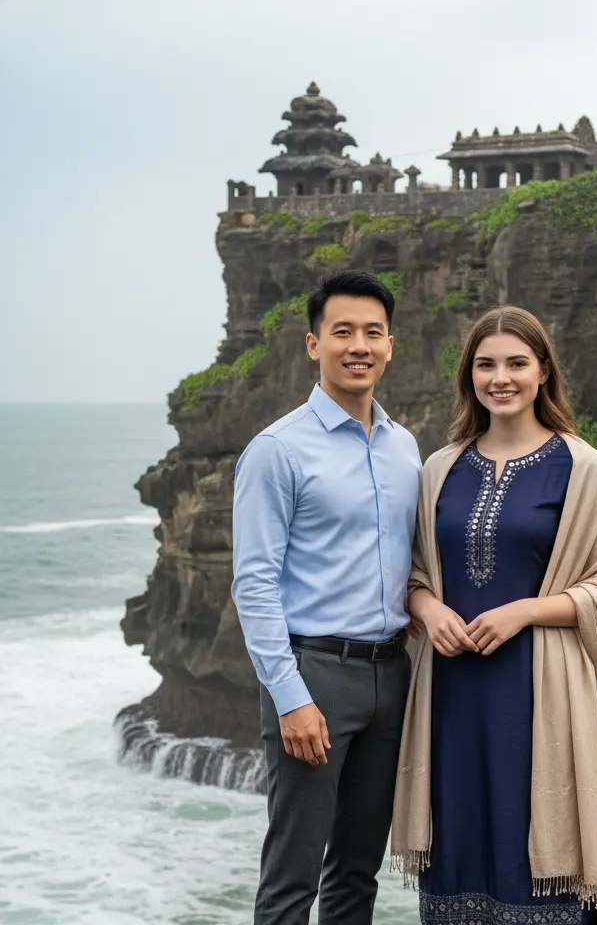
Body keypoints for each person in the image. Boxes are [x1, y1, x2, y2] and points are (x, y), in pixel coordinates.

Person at [391, 306, 597, 924]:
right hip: (451, 696)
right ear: (468, 376)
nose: (500, 377)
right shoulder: (439, 469)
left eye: (516, 363)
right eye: (486, 364)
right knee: (459, 845)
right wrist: (429, 608)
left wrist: (524, 611)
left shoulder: (582, 467)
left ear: (543, 371)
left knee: (536, 856)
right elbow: (412, 574)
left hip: (539, 693)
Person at [231, 269, 422, 925]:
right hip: (314, 677)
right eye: (342, 331)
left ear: (391, 345)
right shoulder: (277, 450)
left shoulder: (406, 448)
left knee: (356, 872)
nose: (358, 345)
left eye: (373, 332)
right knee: (293, 876)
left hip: (392, 676)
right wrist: (290, 699)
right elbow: (253, 583)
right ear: (314, 344)